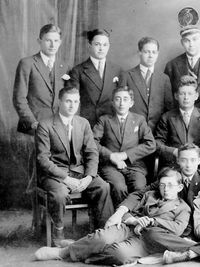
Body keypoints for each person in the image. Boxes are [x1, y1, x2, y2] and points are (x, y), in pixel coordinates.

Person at [34, 167, 191, 266]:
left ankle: (80, 250)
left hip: (146, 241)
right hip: (129, 227)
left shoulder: (183, 208)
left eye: (170, 185)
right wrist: (133, 219)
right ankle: (62, 253)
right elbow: (130, 211)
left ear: (180, 187)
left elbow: (177, 230)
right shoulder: (150, 195)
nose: (166, 189)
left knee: (119, 255)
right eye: (162, 185)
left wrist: (152, 221)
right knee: (102, 238)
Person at [35, 87, 114, 243]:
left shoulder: (83, 123)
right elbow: (43, 160)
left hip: (79, 172)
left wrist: (89, 177)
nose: (72, 106)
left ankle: (104, 233)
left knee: (103, 187)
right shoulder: (45, 125)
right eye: (68, 101)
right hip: (55, 175)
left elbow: (92, 152)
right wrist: (65, 178)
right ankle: (58, 234)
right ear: (60, 102)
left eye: (76, 101)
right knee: (60, 194)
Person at [92, 86, 156, 207]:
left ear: (131, 103)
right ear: (113, 102)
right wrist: (111, 156)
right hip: (111, 166)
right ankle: (120, 220)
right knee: (119, 187)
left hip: (134, 165)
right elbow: (92, 142)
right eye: (118, 99)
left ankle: (134, 218)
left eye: (125, 99)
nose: (121, 103)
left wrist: (125, 155)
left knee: (140, 187)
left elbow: (151, 144)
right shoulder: (104, 120)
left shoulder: (139, 120)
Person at [155, 75, 200, 170]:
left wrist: (197, 153)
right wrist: (175, 152)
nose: (186, 97)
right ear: (176, 96)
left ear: (196, 96)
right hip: (175, 167)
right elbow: (157, 144)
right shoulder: (167, 117)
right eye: (182, 93)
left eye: (190, 94)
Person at [13, 24, 69, 135]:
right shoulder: (27, 63)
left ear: (60, 42)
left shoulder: (65, 66)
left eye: (56, 41)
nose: (53, 45)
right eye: (48, 40)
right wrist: (32, 122)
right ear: (39, 41)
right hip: (34, 128)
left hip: (58, 128)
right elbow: (19, 98)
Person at [68, 29, 123, 127]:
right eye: (97, 44)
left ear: (108, 46)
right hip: (88, 124)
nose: (101, 48)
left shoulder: (117, 70)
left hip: (111, 123)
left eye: (105, 45)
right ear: (90, 46)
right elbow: (73, 100)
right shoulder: (78, 70)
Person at [119, 37, 174, 133]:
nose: (150, 56)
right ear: (139, 52)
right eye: (146, 52)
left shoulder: (164, 78)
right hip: (132, 131)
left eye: (154, 52)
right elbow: (121, 106)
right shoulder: (126, 76)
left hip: (157, 132)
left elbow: (169, 109)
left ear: (157, 54)